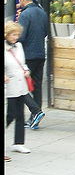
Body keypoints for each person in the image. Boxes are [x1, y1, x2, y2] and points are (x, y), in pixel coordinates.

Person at [5, 21, 46, 154]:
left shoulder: (19, 46)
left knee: (20, 115)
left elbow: (22, 63)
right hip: (10, 85)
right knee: (10, 115)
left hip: (21, 84)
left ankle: (19, 143)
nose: (16, 37)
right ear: (7, 34)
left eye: (17, 34)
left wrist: (26, 70)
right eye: (13, 35)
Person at [16, 0, 49, 129]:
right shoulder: (42, 12)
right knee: (37, 87)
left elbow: (21, 37)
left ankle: (35, 111)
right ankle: (35, 118)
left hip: (27, 56)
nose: (19, 1)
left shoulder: (24, 15)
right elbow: (45, 32)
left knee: (20, 86)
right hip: (40, 54)